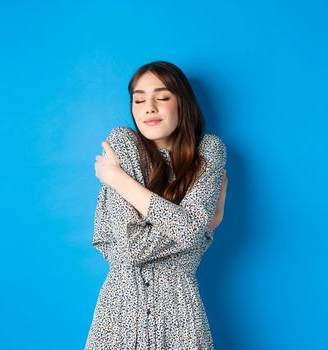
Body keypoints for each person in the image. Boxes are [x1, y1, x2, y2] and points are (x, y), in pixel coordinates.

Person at [85, 61, 228, 349]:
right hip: (119, 317)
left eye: (162, 97)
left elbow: (188, 231)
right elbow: (131, 247)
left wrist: (117, 179)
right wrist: (201, 224)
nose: (149, 107)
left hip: (182, 317)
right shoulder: (122, 144)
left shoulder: (209, 150)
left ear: (183, 104)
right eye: (139, 99)